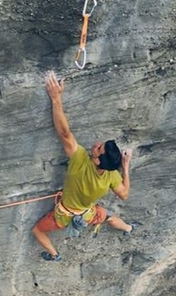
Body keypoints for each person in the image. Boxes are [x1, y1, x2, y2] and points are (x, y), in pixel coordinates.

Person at [32, 71, 135, 261]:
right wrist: (126, 166)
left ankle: (55, 255)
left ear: (96, 160)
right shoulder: (112, 174)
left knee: (37, 230)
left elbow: (64, 133)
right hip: (88, 214)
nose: (96, 144)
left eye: (98, 148)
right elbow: (124, 194)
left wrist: (56, 98)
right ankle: (128, 228)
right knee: (109, 217)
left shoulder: (80, 160)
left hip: (64, 215)